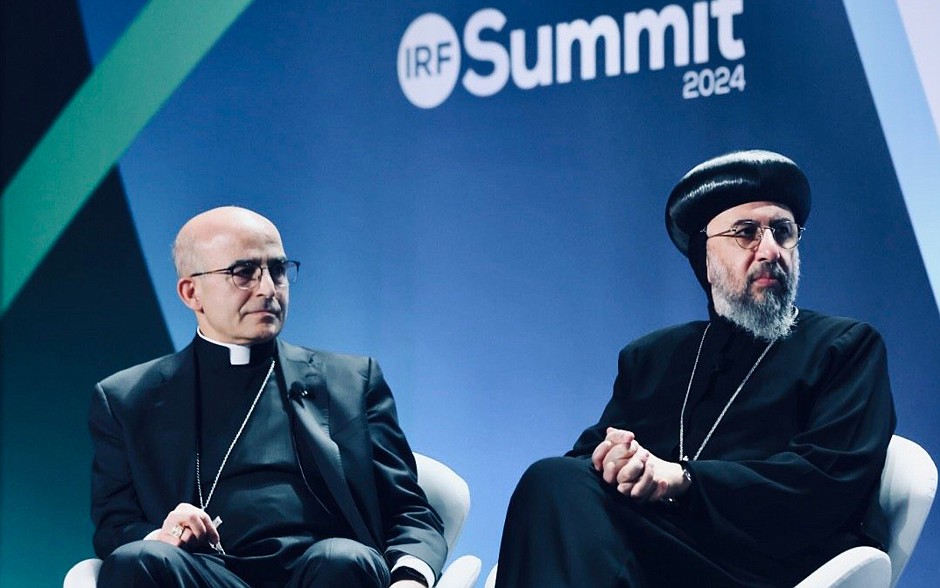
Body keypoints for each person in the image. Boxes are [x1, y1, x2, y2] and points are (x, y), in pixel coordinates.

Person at [494, 150, 896, 587]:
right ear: (704, 257)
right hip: (660, 556)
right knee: (554, 481)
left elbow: (828, 482)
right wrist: (617, 459)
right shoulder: (652, 358)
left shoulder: (844, 346)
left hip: (768, 567)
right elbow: (586, 460)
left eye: (783, 232)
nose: (770, 251)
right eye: (746, 233)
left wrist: (683, 479)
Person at [89, 206, 446, 587]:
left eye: (277, 270)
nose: (267, 289)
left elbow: (410, 511)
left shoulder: (352, 382)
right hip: (204, 574)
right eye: (243, 273)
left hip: (323, 572)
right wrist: (163, 535)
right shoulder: (128, 399)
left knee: (342, 557)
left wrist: (410, 577)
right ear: (191, 292)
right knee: (139, 559)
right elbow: (115, 526)